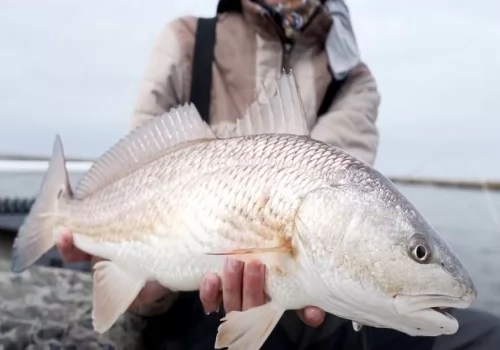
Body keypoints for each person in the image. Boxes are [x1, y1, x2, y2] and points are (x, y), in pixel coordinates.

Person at [57, 0, 500, 349]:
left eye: (417, 253)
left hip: (322, 312)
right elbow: (143, 165)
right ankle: (64, 214)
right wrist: (142, 283)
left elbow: (338, 170)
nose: (421, 258)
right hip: (188, 305)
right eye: (418, 253)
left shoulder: (353, 78)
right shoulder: (187, 39)